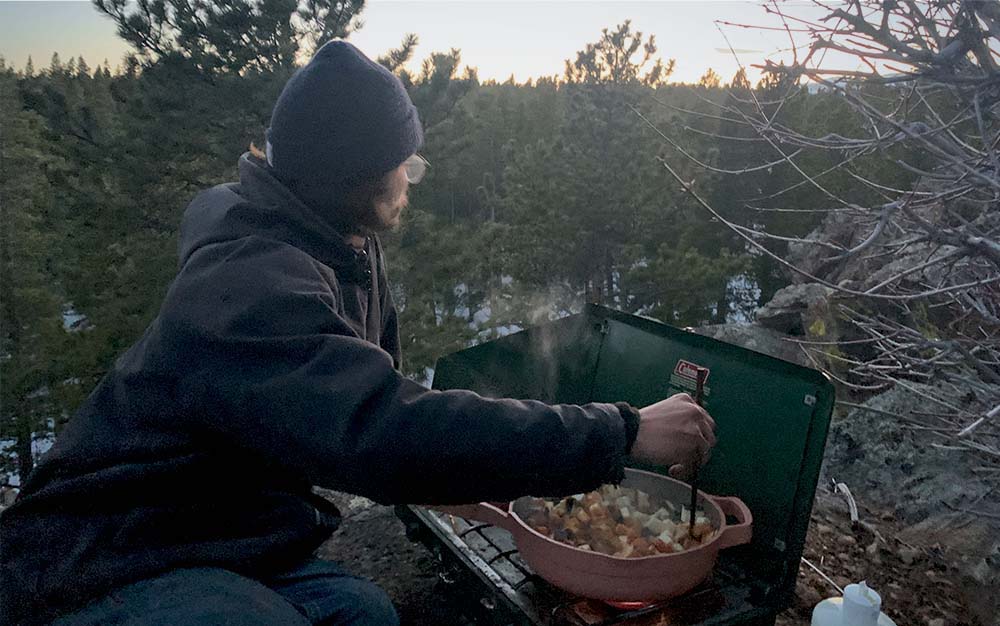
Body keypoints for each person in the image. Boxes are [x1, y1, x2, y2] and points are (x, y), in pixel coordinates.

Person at [0, 41, 716, 625]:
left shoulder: (337, 241)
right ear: (358, 179)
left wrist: (483, 473)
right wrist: (621, 432)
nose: (412, 179)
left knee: (364, 612)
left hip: (213, 531)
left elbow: (369, 412)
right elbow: (382, 427)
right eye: (404, 165)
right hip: (102, 558)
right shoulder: (247, 285)